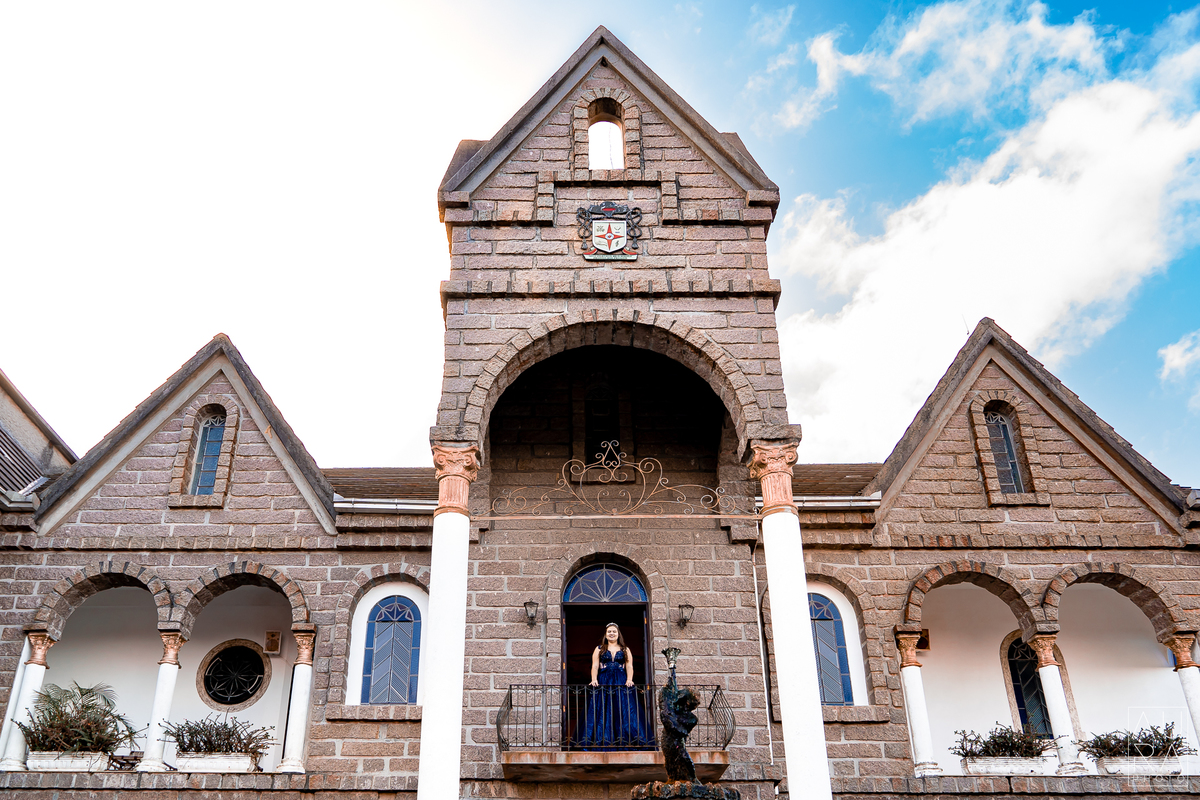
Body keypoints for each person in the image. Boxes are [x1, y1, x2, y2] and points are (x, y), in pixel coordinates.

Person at [581, 622, 652, 749]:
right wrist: (594, 679)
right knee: (603, 708)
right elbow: (595, 665)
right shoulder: (599, 649)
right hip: (604, 680)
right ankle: (601, 740)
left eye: (614, 631)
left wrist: (629, 679)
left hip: (620, 680)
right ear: (606, 634)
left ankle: (627, 741)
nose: (611, 633)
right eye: (609, 631)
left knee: (623, 708)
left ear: (618, 634)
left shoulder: (625, 649)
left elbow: (629, 666)